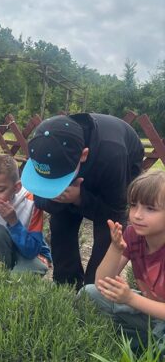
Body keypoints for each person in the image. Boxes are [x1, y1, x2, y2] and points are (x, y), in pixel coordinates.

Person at [21, 113, 144, 289]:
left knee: (107, 232)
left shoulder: (114, 156)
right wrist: (60, 200)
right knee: (61, 221)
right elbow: (41, 201)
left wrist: (80, 198)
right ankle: (67, 285)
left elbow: (114, 213)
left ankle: (93, 292)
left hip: (120, 160)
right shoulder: (43, 149)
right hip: (81, 163)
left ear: (83, 155)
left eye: (58, 179)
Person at [82, 170, 165, 347]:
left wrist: (130, 299)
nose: (137, 215)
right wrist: (116, 248)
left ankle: (145, 347)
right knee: (89, 294)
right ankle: (140, 342)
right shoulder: (133, 234)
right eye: (134, 205)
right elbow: (101, 284)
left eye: (150, 208)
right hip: (148, 311)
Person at [0, 153, 52, 274]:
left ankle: (8, 278)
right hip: (4, 253)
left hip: (33, 256)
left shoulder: (31, 202)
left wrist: (14, 222)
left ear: (17, 187)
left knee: (18, 277)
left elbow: (32, 251)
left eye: (0, 190)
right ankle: (0, 275)